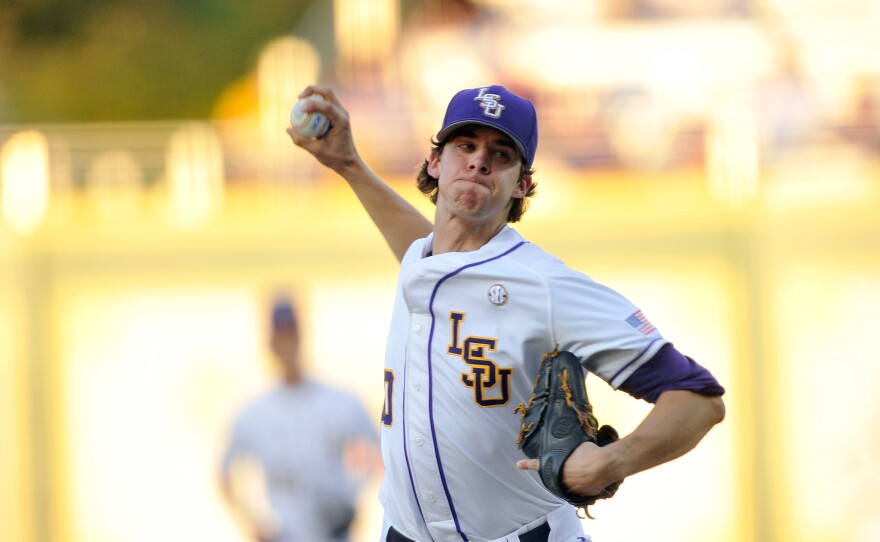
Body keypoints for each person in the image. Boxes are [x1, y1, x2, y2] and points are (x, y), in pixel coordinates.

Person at [287, 84, 726, 542]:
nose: (478, 161)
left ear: (522, 184)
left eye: (500, 154)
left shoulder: (544, 285)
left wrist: (611, 461)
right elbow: (439, 265)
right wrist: (348, 165)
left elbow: (698, 399)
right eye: (465, 146)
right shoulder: (427, 261)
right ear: (435, 162)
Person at [219, 295, 380, 542]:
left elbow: (381, 453)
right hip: (284, 534)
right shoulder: (253, 413)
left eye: (291, 335)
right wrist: (253, 524)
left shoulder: (340, 402)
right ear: (270, 342)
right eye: (280, 337)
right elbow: (225, 475)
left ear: (301, 336)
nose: (286, 345)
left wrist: (353, 498)